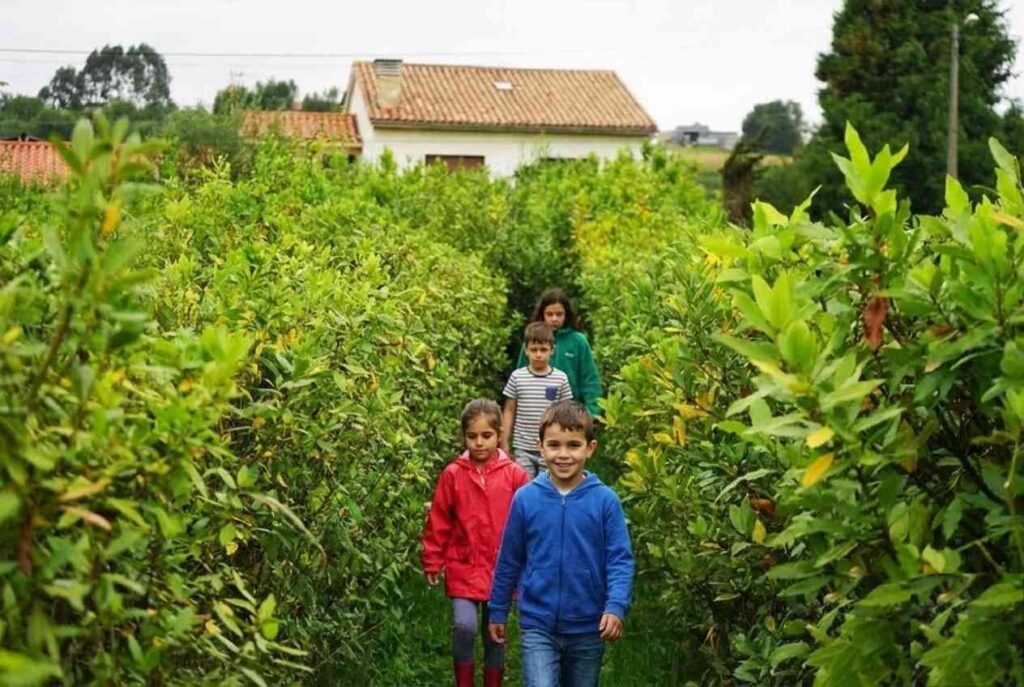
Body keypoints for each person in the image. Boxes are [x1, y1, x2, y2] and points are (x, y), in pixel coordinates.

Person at [488, 401, 634, 687]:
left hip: (588, 626)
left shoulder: (605, 501)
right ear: (540, 447)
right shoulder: (526, 499)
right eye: (554, 445)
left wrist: (615, 606)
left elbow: (620, 559)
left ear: (590, 448)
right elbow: (510, 559)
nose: (563, 454)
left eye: (573, 445)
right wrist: (498, 609)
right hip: (538, 623)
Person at [422, 399, 530, 687]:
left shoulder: (515, 476)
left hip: (500, 570)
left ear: (499, 435)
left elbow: (527, 523)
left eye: (486, 436)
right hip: (463, 565)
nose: (479, 443)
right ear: (463, 437)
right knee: (464, 626)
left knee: (494, 633)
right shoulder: (453, 474)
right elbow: (439, 519)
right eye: (472, 437)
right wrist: (433, 559)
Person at [517, 289, 602, 418]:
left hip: (571, 415)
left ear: (566, 315)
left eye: (559, 314)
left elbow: (589, 380)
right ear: (542, 314)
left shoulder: (578, 341)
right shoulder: (532, 342)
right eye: (549, 314)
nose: (554, 319)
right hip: (536, 413)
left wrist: (591, 413)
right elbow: (520, 378)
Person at [502, 322, 573, 477]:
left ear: (552, 350)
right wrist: (504, 442)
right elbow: (509, 409)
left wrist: (566, 443)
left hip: (551, 446)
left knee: (548, 486)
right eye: (534, 350)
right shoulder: (517, 377)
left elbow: (568, 413)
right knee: (525, 487)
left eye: (543, 350)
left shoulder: (560, 378)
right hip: (522, 447)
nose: (538, 354)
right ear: (526, 350)